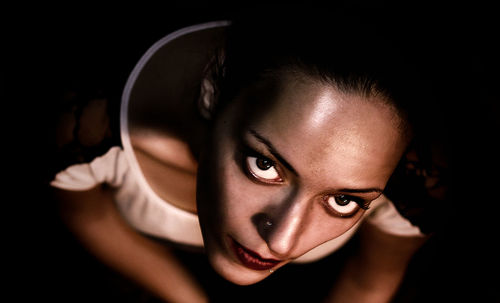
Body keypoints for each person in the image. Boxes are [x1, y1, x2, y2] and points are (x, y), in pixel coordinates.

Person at [50, 11, 451, 303]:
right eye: (265, 165)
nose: (280, 241)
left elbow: (369, 282)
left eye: (343, 201)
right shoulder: (87, 127)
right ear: (213, 97)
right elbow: (89, 215)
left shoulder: (415, 180)